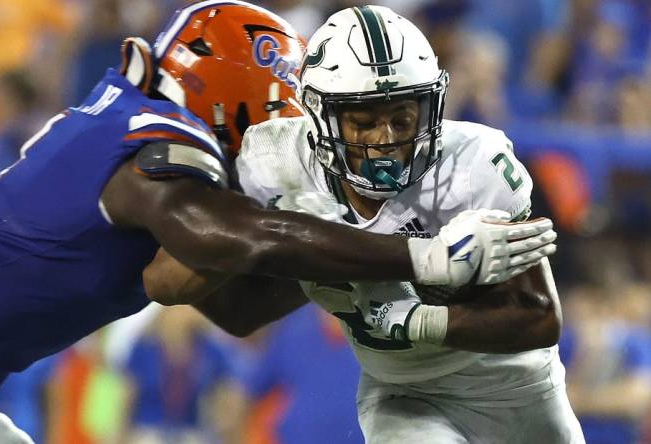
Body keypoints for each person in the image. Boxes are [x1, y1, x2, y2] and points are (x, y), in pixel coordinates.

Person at [0, 2, 556, 442]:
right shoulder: (156, 139)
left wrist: (370, 239)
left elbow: (236, 308)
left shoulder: (126, 127)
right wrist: (423, 257)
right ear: (244, 95)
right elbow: (227, 235)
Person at [144, 5, 583, 443]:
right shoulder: (274, 163)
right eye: (365, 121)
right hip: (404, 394)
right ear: (317, 116)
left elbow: (537, 318)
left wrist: (414, 321)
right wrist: (281, 235)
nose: (386, 140)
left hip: (516, 388)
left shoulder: (471, 165)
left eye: (402, 118)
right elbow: (180, 288)